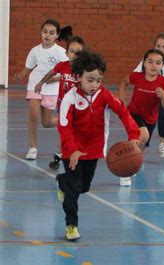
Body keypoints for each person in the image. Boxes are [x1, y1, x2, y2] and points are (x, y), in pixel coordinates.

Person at [56, 50, 140, 241]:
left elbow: (123, 112)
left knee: (84, 187)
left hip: (93, 151)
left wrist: (133, 134)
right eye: (90, 80)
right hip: (73, 152)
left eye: (99, 80)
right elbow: (64, 128)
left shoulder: (105, 96)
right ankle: (71, 225)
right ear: (79, 77)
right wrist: (72, 149)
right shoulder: (69, 99)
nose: (95, 85)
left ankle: (62, 181)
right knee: (74, 189)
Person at [14, 19, 69, 160]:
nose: (47, 35)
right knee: (33, 114)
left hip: (52, 89)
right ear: (41, 32)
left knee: (46, 122)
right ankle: (33, 148)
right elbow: (28, 66)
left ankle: (69, 121)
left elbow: (66, 73)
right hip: (35, 85)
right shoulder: (35, 50)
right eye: (45, 31)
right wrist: (20, 76)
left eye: (51, 33)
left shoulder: (61, 52)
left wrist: (54, 79)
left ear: (57, 35)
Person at [118, 49, 164, 187]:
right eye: (150, 62)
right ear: (144, 63)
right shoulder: (137, 77)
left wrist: (163, 96)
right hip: (134, 113)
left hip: (151, 119)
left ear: (162, 65)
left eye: (158, 63)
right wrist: (122, 99)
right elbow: (124, 81)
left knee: (141, 146)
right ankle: (125, 171)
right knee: (142, 135)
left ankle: (133, 161)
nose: (154, 65)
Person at [35, 35, 85, 169]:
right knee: (64, 133)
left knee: (72, 133)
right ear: (67, 53)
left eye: (78, 52)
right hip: (63, 106)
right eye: (72, 51)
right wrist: (41, 82)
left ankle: (71, 156)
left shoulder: (83, 70)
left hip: (78, 107)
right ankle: (59, 155)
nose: (75, 55)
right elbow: (51, 73)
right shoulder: (62, 66)